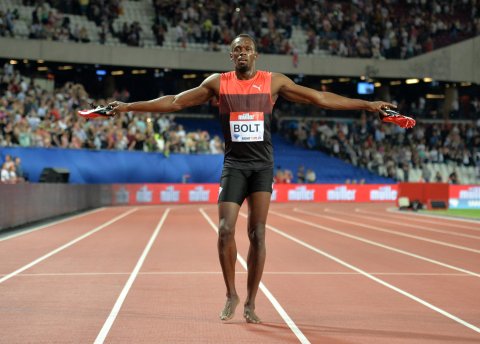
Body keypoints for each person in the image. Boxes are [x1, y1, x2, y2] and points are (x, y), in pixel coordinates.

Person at [106, 34, 400, 324]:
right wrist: (128, 107)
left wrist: (367, 105)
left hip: (262, 167)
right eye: (237, 50)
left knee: (257, 233)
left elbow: (320, 98)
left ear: (256, 55)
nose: (243, 53)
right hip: (234, 165)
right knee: (224, 230)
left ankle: (250, 300)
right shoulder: (217, 83)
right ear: (231, 56)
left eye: (247, 49)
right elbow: (174, 102)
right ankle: (231, 294)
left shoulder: (274, 82)